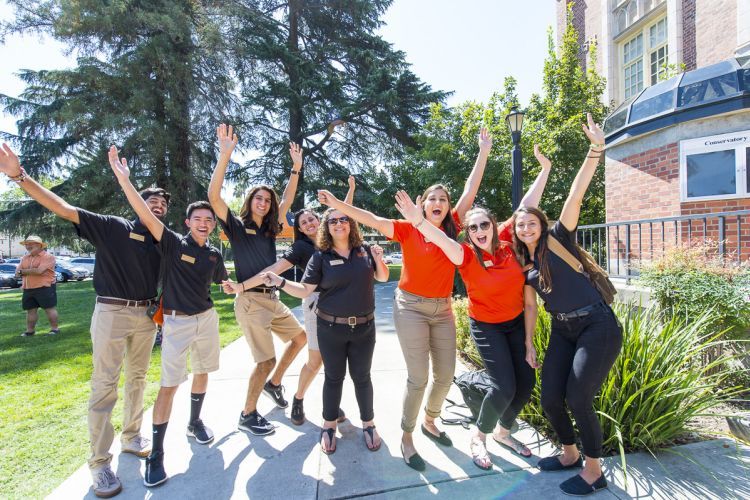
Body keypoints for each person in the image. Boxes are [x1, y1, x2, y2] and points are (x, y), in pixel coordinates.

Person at [317, 128, 551, 471]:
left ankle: (430, 419)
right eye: (432, 199)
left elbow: (471, 189)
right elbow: (371, 219)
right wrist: (338, 205)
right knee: (419, 377)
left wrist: (483, 150)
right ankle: (407, 435)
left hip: (442, 309)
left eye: (443, 199)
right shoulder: (408, 227)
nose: (439, 204)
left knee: (445, 375)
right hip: (410, 306)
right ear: (422, 204)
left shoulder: (457, 226)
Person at [0, 143, 169, 497]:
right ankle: (99, 463)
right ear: (137, 203)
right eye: (151, 202)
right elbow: (61, 207)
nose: (158, 208)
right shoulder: (112, 227)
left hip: (145, 315)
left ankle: (131, 435)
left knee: (138, 378)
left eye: (163, 206)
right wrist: (19, 176)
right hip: (110, 311)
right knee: (104, 385)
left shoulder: (161, 241)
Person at [393, 146, 551, 469]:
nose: (479, 232)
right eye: (473, 228)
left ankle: (503, 432)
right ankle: (480, 435)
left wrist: (545, 170)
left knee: (525, 384)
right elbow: (439, 240)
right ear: (467, 232)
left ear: (494, 225)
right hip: (486, 326)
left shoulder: (507, 242)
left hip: (515, 323)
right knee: (504, 386)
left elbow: (527, 206)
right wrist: (418, 220)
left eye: (484, 225)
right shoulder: (464, 254)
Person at [512, 114, 621, 496]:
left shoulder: (560, 236)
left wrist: (595, 150)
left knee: (578, 398)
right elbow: (529, 307)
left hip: (597, 326)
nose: (525, 228)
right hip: (562, 328)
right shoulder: (523, 263)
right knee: (550, 399)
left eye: (530, 223)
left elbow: (575, 194)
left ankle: (594, 471)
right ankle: (569, 454)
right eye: (519, 225)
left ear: (541, 224)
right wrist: (528, 344)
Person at [109, 147, 228, 488]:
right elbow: (145, 216)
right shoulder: (174, 243)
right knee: (169, 384)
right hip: (176, 322)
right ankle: (157, 454)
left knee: (204, 371)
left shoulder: (214, 254)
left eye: (209, 220)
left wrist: (231, 284)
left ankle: (195, 422)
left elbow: (221, 280)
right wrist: (124, 179)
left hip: (206, 319)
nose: (205, 223)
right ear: (188, 222)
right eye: (199, 219)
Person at [223, 176, 356, 425]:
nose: (308, 224)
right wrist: (241, 286)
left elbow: (342, 214)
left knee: (327, 354)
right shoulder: (301, 248)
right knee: (316, 360)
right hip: (315, 303)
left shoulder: (333, 240)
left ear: (320, 220)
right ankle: (297, 399)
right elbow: (274, 268)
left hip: (341, 304)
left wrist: (350, 190)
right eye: (303, 222)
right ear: (300, 228)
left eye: (312, 219)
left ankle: (276, 385)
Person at [207, 124, 310, 435]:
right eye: (259, 198)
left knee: (300, 338)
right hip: (251, 302)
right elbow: (213, 196)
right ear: (250, 200)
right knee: (264, 360)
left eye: (268, 200)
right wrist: (225, 155)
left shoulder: (271, 227)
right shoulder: (236, 226)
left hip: (272, 298)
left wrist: (295, 169)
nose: (264, 203)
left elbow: (288, 200)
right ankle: (247, 414)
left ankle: (274, 384)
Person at [262, 208, 389, 454]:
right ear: (327, 227)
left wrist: (379, 258)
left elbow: (382, 277)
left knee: (363, 378)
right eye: (333, 221)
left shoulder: (363, 251)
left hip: (364, 328)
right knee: (333, 378)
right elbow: (305, 290)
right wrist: (280, 281)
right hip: (331, 328)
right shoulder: (320, 257)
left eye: (343, 219)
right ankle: (328, 425)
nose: (339, 224)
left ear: (351, 224)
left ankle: (369, 424)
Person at [15, 236, 59, 336]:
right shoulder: (25, 258)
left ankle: (55, 329)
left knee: (49, 309)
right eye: (26, 244)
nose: (28, 246)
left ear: (39, 245)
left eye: (31, 243)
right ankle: (30, 331)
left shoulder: (48, 257)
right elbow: (17, 273)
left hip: (45, 287)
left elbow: (39, 271)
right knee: (30, 311)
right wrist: (29, 271)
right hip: (28, 288)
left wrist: (23, 271)